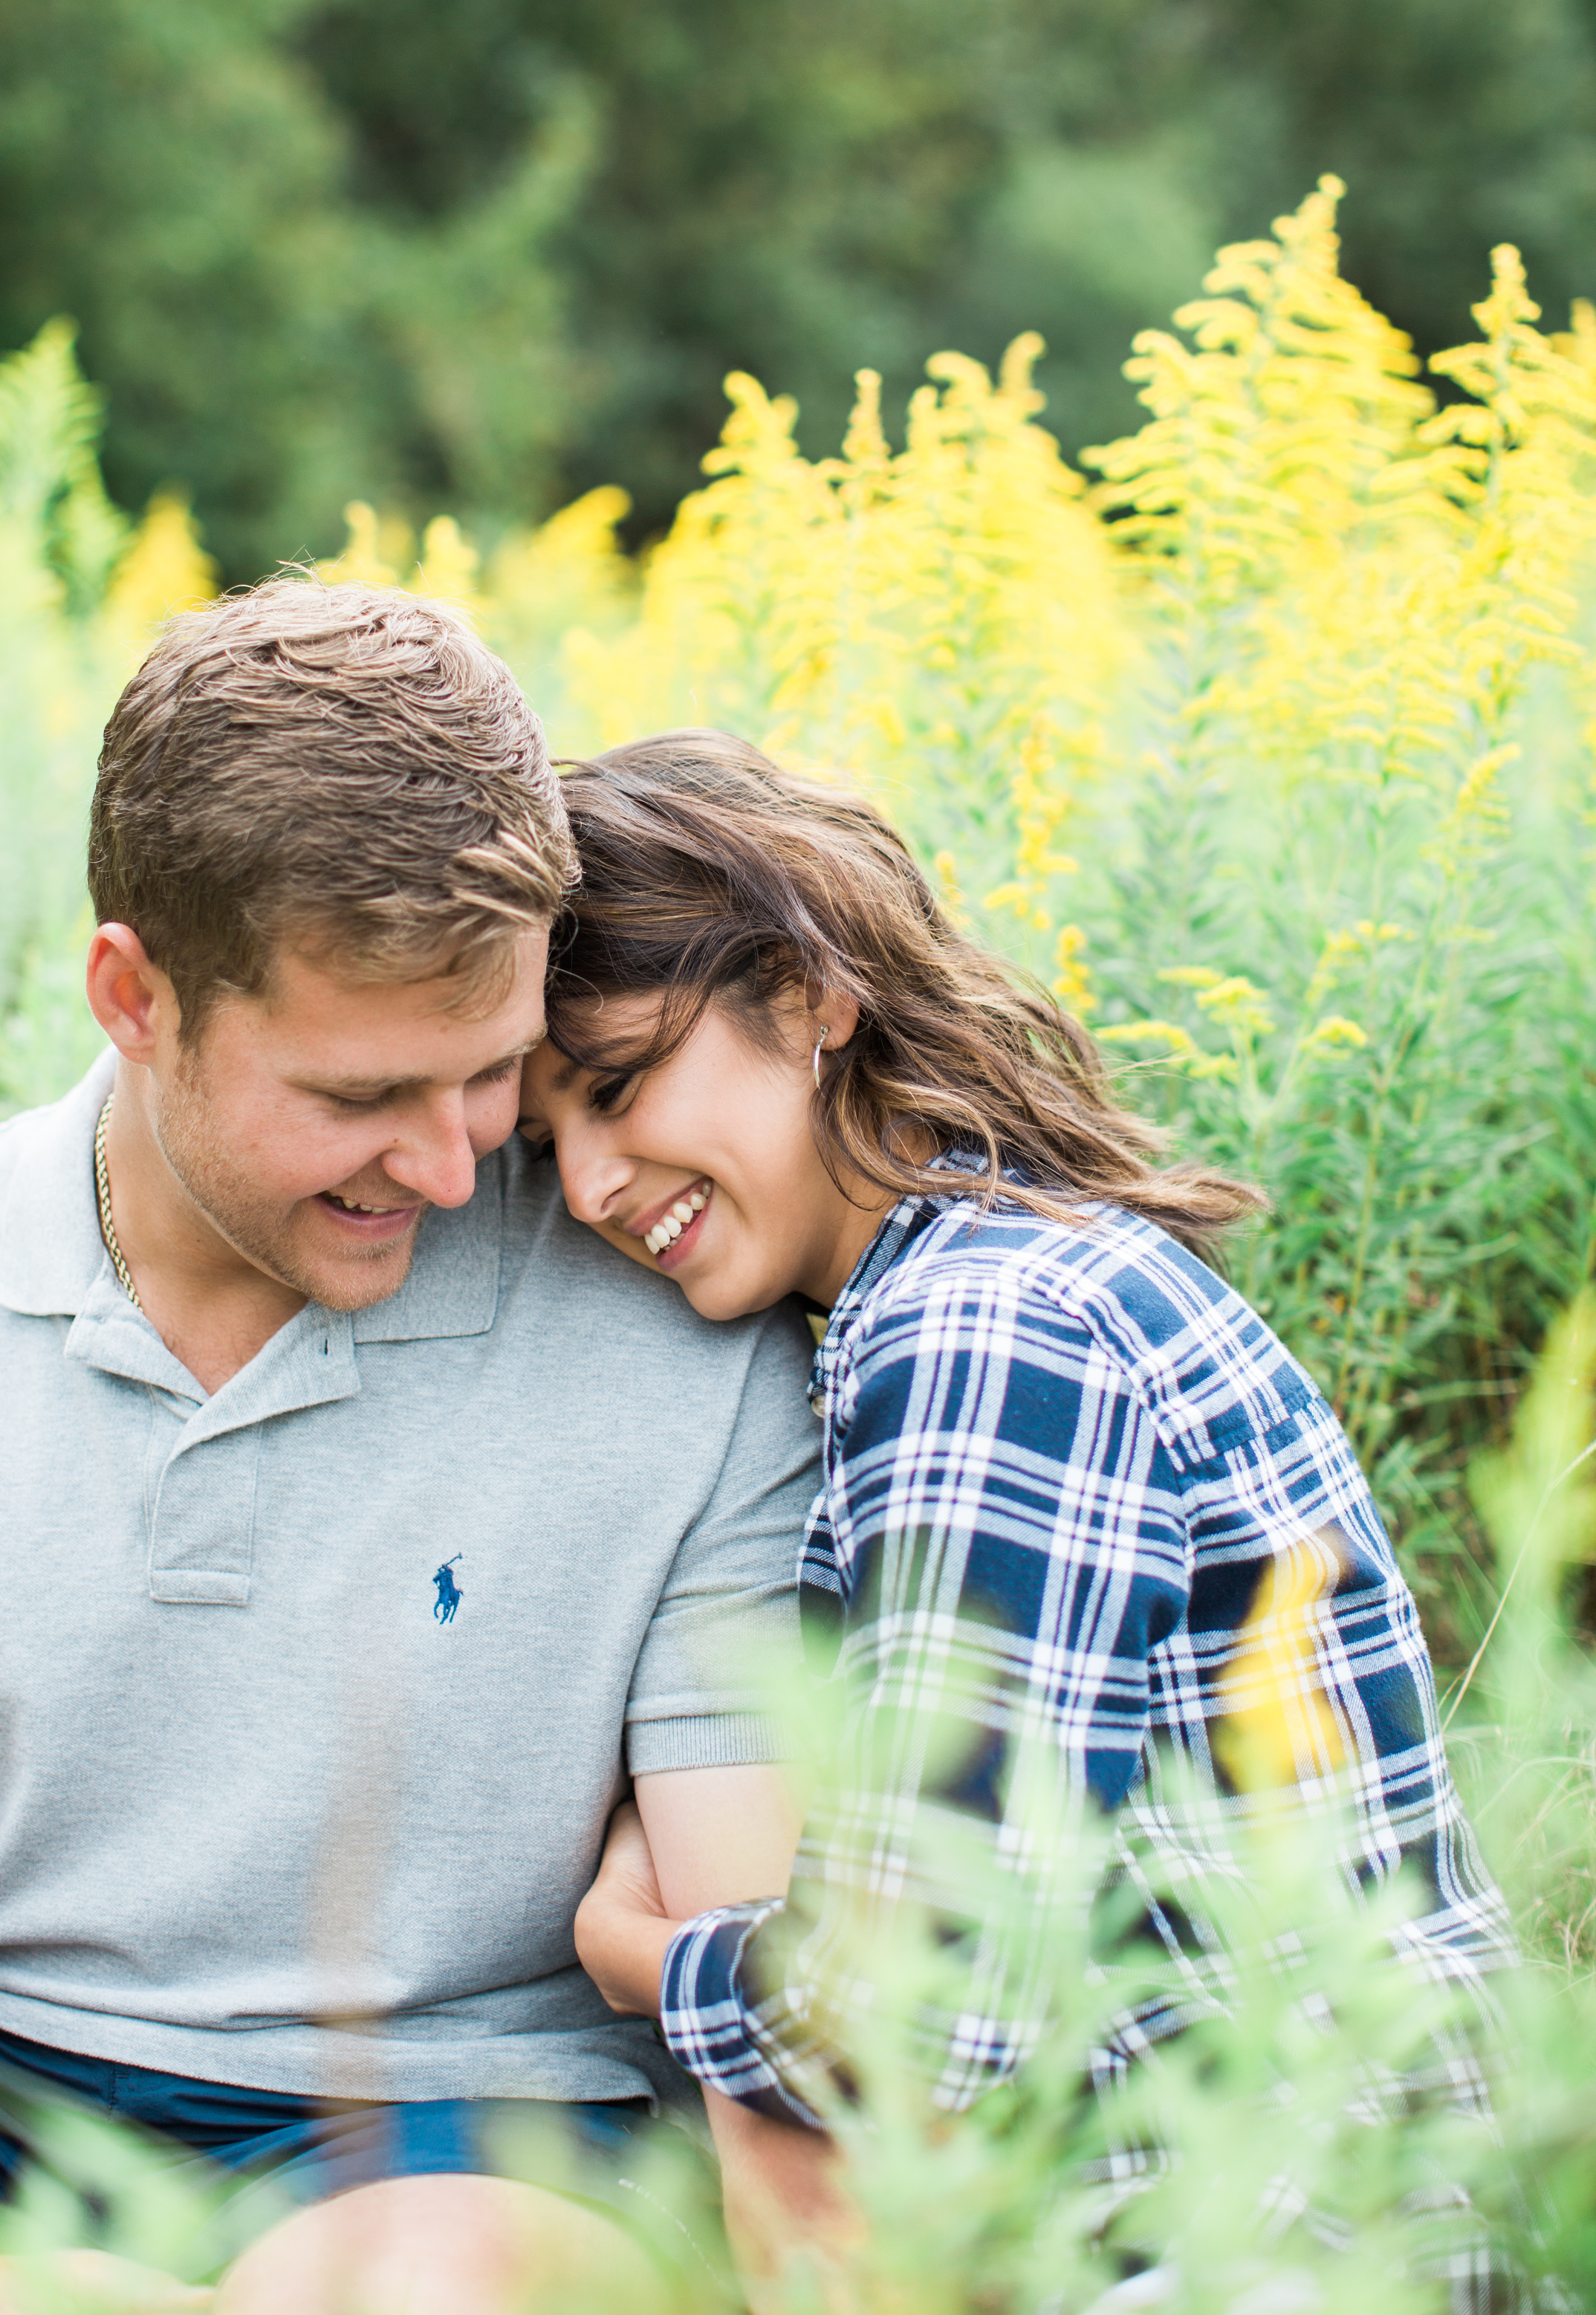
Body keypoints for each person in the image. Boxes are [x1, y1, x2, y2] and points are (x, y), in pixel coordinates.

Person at [0, 593, 822, 2315]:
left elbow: (765, 1980)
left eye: (490, 1074)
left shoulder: (683, 1338)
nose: (458, 1168)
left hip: (460, 2140)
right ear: (134, 998)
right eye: (358, 1096)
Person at [519, 730, 1515, 2279]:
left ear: (807, 996)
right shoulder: (997, 1275)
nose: (585, 1185)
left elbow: (917, 2020)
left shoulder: (980, 1333)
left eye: (617, 1083)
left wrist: (642, 1956)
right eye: (544, 1140)